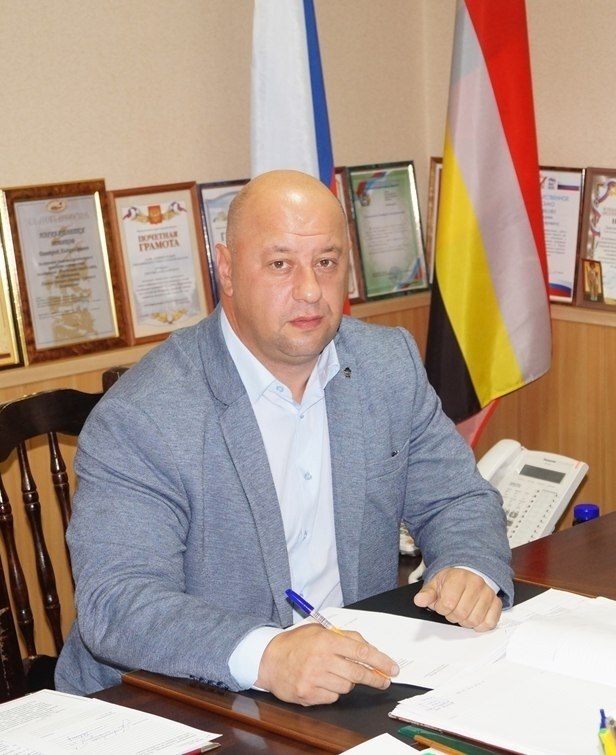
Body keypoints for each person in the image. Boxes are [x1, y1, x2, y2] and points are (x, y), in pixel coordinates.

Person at [55, 170, 512, 704]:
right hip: (172, 699)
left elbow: (457, 498)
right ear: (227, 270)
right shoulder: (143, 415)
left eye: (327, 262)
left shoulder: (387, 365)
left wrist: (467, 565)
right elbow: (118, 602)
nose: (310, 290)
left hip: (347, 681)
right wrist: (268, 655)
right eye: (280, 264)